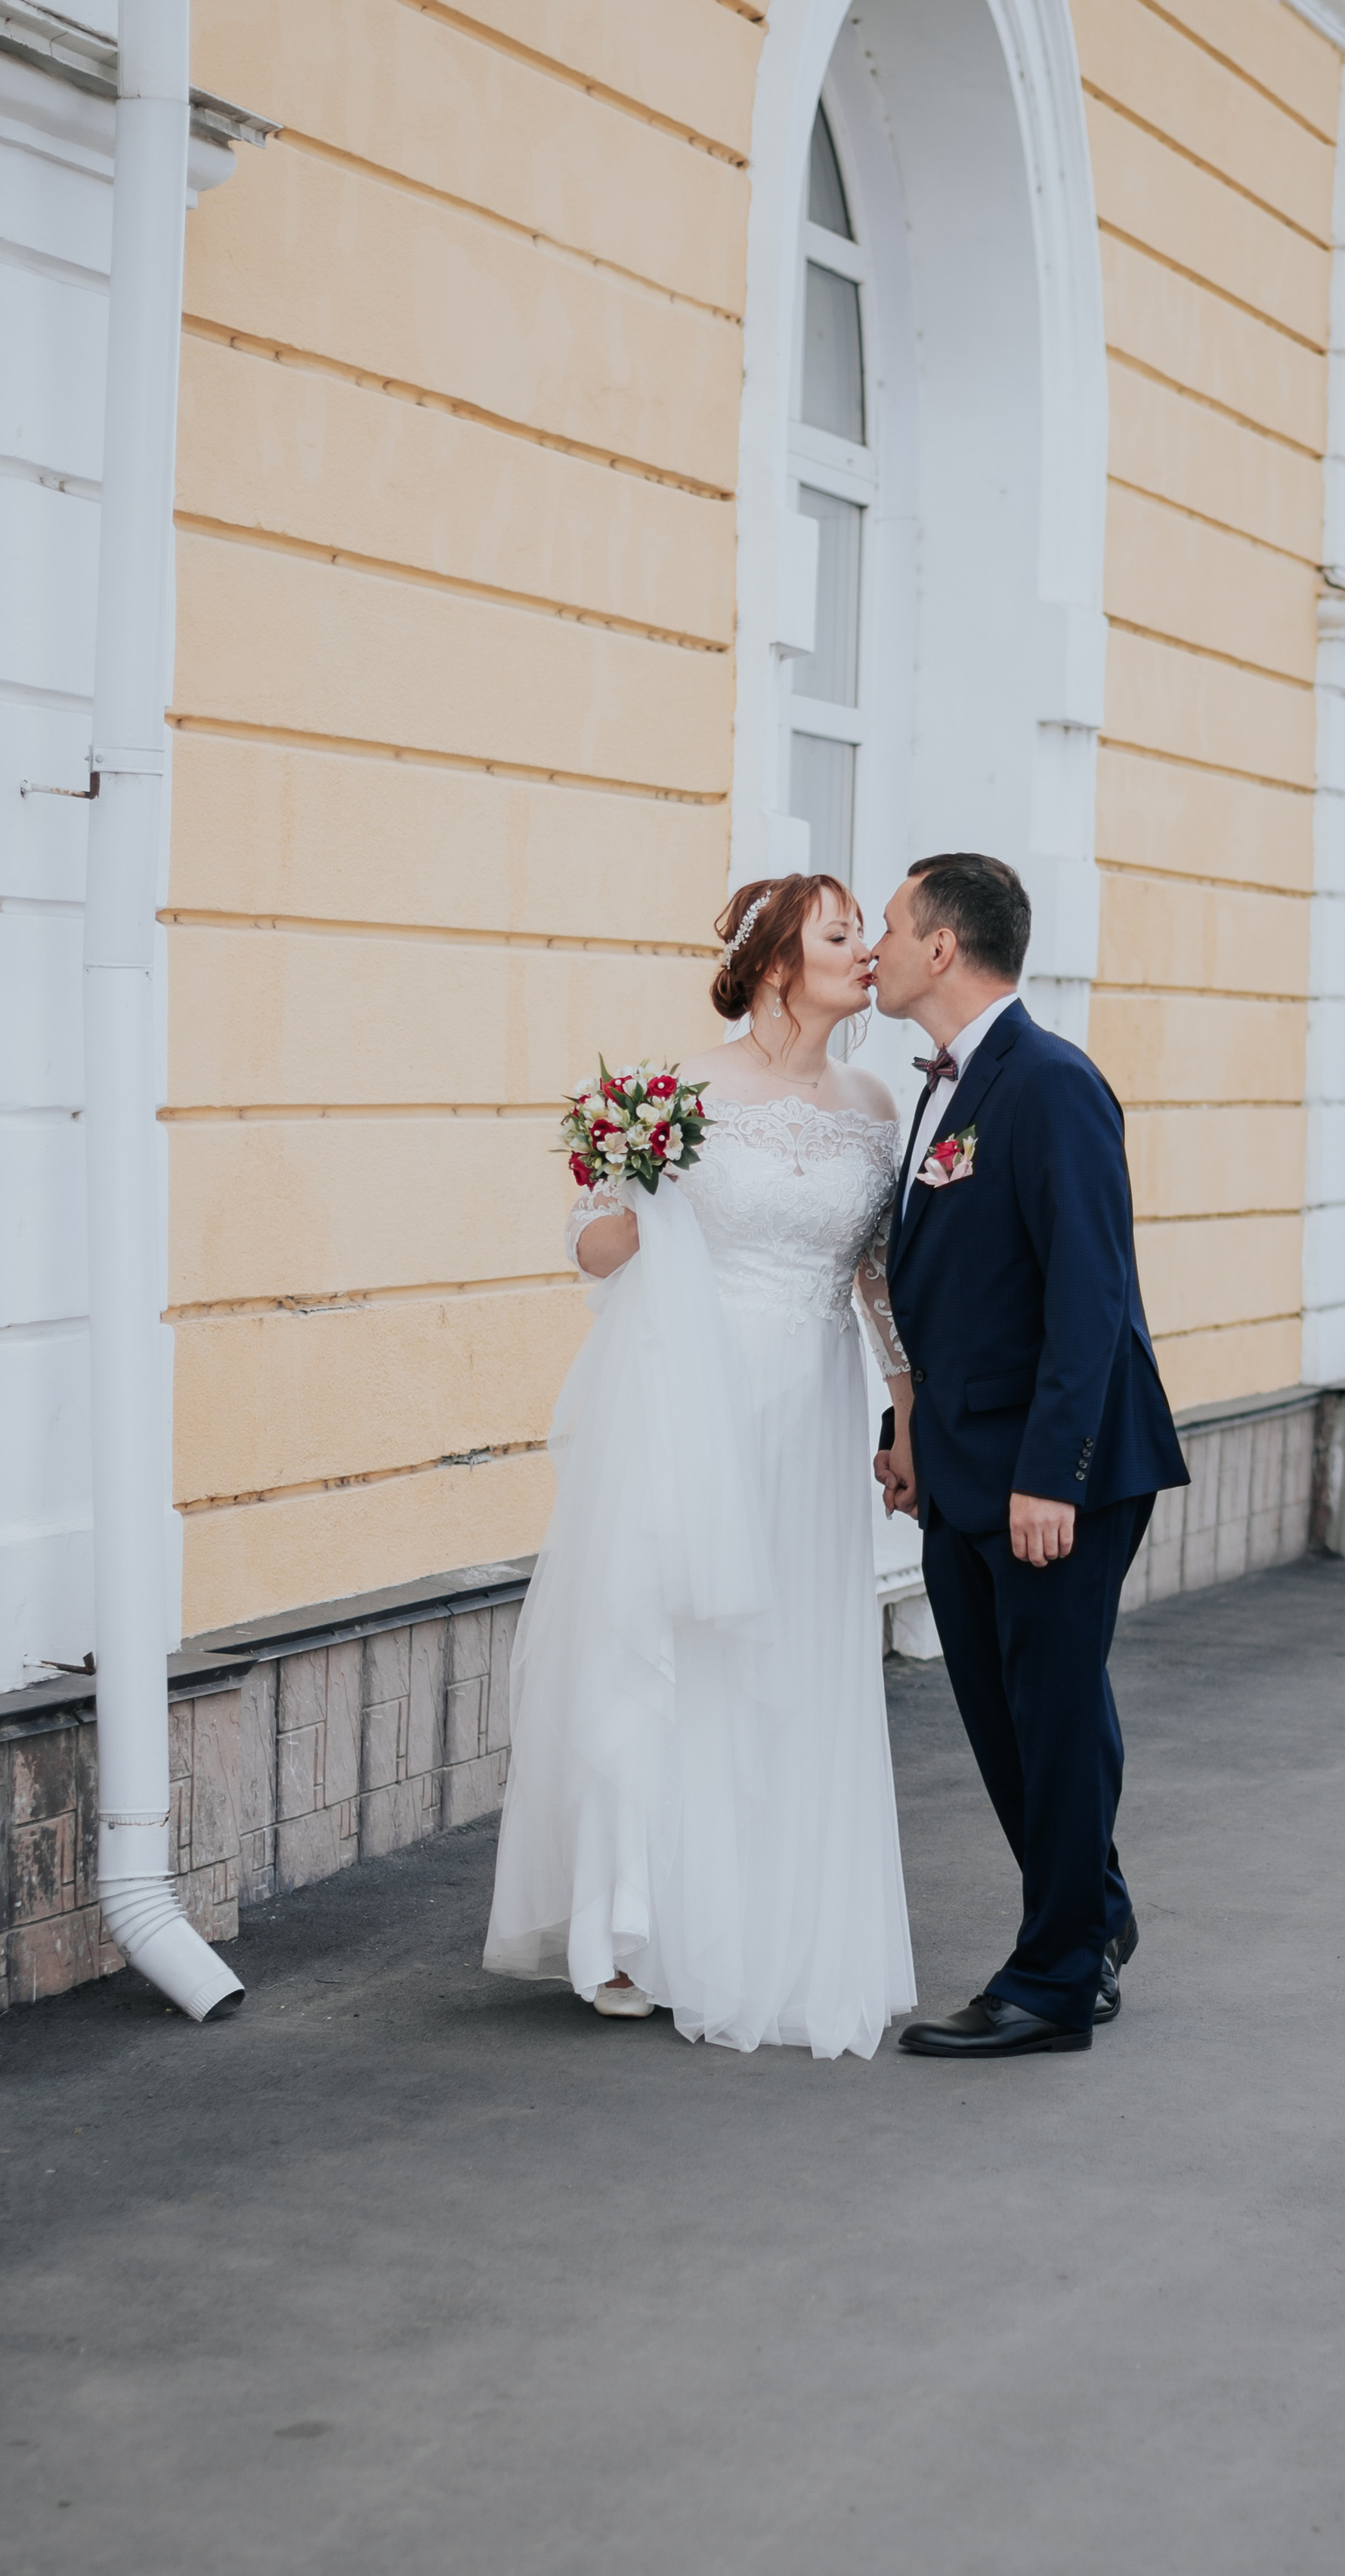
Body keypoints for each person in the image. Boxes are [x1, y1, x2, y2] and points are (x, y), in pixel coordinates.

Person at [483, 875, 917, 2060]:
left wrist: (909, 1406)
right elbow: (591, 1241)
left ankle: (761, 1914)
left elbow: (877, 1276)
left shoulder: (877, 1102)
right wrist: (640, 1187)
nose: (865, 951)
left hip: (812, 1403)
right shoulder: (684, 1089)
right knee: (667, 1647)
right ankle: (636, 1924)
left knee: (785, 1656)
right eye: (841, 935)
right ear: (779, 962)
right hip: (690, 1402)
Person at [871, 853, 1189, 2057]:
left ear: (944, 946)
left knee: (1050, 1717)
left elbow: (1090, 1295)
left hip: (1055, 1475)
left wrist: (1049, 1475)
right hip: (959, 1471)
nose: (880, 947)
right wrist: (906, 1438)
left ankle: (1054, 1980)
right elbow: (949, 1291)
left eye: (893, 925)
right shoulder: (947, 1088)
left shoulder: (1050, 1083)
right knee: (1010, 1721)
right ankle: (1094, 1915)